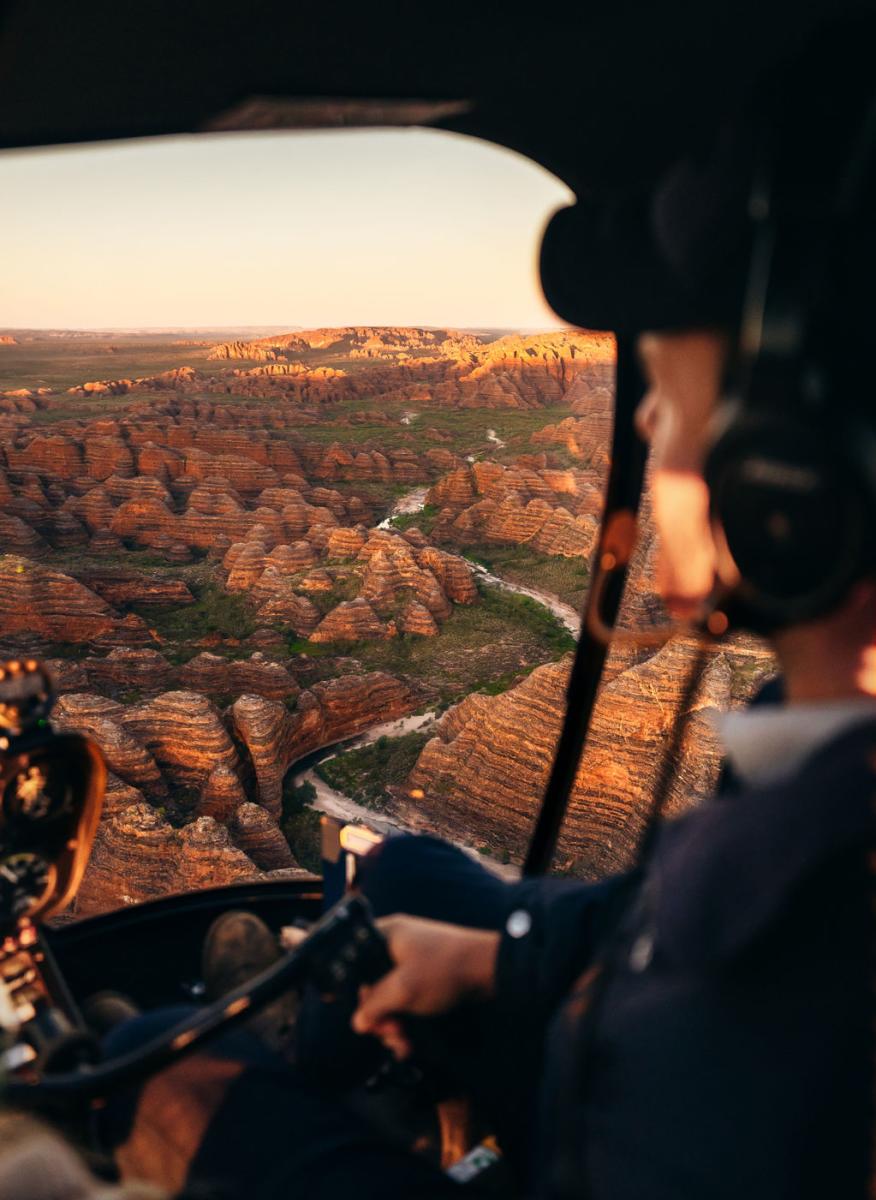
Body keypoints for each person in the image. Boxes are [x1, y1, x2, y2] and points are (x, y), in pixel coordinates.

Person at [97, 24, 875, 1200]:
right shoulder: (820, 748)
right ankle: (308, 1045)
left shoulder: (768, 1033)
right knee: (408, 880)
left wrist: (182, 1140)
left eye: (667, 391)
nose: (647, 430)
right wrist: (502, 953)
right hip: (617, 1022)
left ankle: (251, 1070)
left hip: (611, 1103)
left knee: (136, 1068)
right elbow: (652, 911)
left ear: (797, 468)